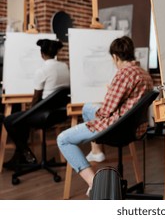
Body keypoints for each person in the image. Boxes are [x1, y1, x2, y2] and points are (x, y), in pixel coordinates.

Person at [57, 36, 154, 195]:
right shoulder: (144, 73)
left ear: (115, 57)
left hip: (116, 129)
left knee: (63, 139)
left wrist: (109, 92)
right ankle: (96, 151)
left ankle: (94, 182)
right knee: (88, 107)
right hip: (134, 129)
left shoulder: (124, 73)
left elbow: (105, 111)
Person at [3, 39, 70, 170]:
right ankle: (21, 155)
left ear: (42, 54)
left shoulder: (42, 70)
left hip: (44, 115)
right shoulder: (64, 67)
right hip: (60, 114)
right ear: (55, 52)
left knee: (9, 121)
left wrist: (29, 110)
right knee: (22, 120)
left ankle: (26, 153)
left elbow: (36, 98)